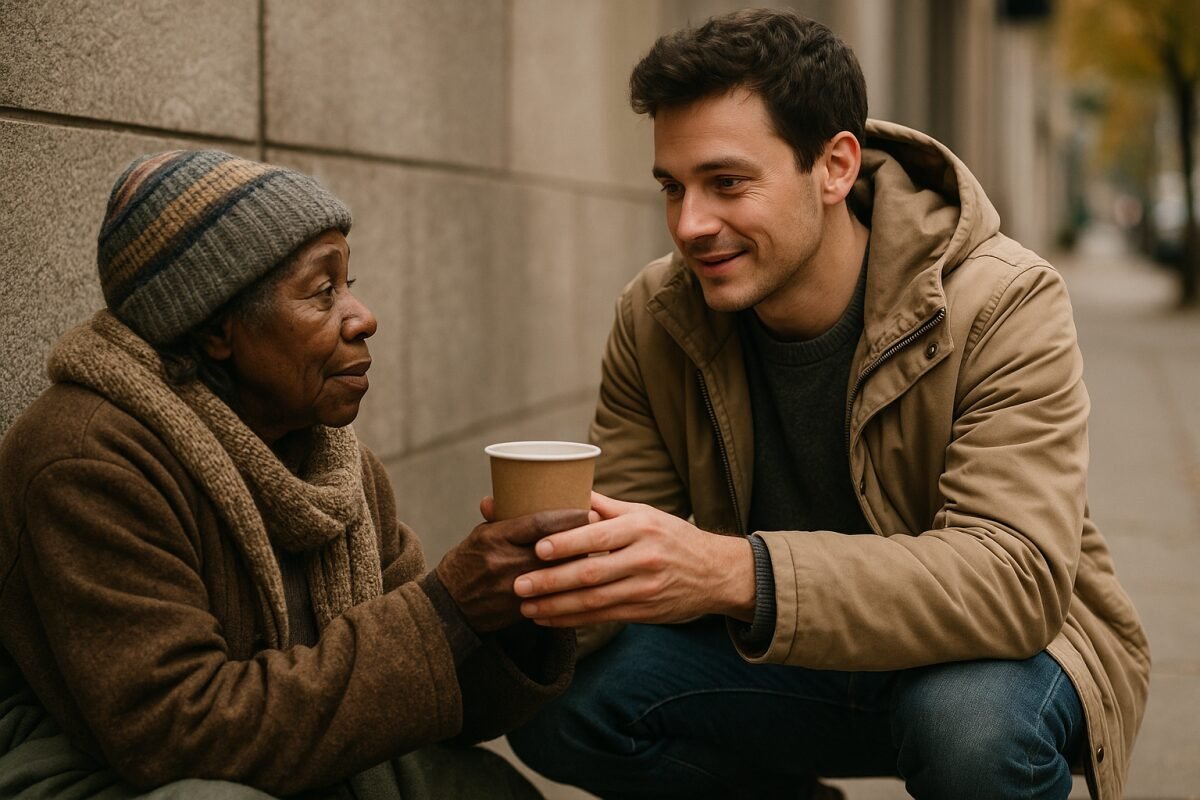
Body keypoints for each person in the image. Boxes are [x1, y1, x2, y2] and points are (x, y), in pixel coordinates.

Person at [504, 9, 1150, 800]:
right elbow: (636, 554)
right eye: (673, 187)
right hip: (783, 663)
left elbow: (1013, 579)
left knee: (968, 727)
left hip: (989, 661)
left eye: (727, 183)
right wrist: (518, 599)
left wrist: (737, 572)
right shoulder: (659, 315)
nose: (690, 224)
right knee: (560, 706)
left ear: (836, 166)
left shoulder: (1002, 301)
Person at [0, 150, 587, 799]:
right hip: (100, 771)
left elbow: (426, 708)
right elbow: (179, 740)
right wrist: (444, 610)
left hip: (289, 749)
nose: (363, 317)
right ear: (218, 325)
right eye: (322, 290)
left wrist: (518, 610)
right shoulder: (88, 460)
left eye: (350, 282)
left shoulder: (337, 465)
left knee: (488, 790)